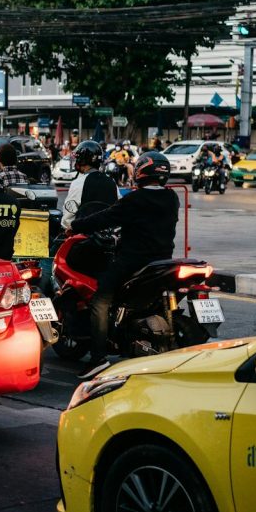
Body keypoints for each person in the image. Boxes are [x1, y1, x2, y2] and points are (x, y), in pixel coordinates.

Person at [69, 152, 178, 379]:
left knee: (100, 300)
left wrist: (75, 226)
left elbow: (104, 218)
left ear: (140, 172)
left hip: (132, 261)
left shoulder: (133, 200)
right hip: (163, 260)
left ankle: (98, 358)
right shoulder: (172, 198)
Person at [62, 140, 119, 231]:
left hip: (83, 235)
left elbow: (68, 217)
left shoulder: (78, 183)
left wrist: (68, 227)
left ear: (83, 160)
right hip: (109, 235)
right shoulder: (111, 182)